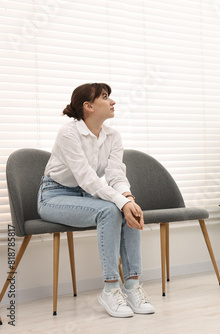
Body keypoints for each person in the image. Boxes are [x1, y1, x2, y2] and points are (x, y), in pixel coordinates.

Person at [37, 83, 155, 318]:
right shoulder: (68, 133)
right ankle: (111, 289)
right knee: (111, 210)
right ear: (88, 106)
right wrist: (121, 202)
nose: (112, 102)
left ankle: (131, 286)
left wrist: (129, 199)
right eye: (105, 97)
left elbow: (116, 176)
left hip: (86, 195)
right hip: (54, 196)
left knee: (128, 209)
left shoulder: (113, 136)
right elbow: (87, 178)